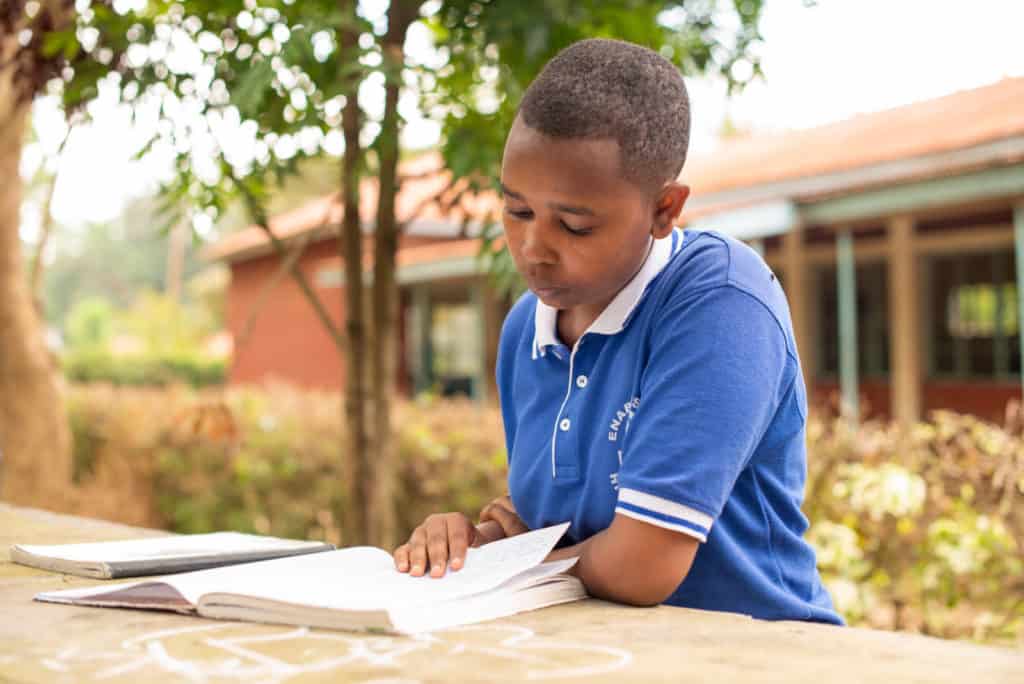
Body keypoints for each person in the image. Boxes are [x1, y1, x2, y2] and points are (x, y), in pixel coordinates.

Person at [393, 38, 842, 624]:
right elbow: (561, 535)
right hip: (601, 652)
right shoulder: (525, 330)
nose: (533, 250)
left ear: (664, 209)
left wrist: (516, 563)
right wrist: (474, 545)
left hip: (754, 653)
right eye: (517, 211)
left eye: (574, 225)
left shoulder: (720, 302)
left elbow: (641, 567)